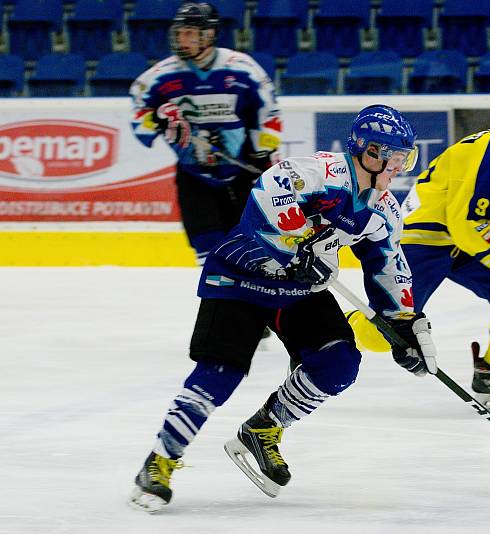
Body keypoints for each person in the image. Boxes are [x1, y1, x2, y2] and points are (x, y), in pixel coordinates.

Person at [128, 105, 438, 512]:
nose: (399, 166)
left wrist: (405, 322)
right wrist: (295, 239)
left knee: (339, 362)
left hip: (299, 291)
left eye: (404, 158)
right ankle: (161, 460)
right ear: (370, 152)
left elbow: (387, 267)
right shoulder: (321, 173)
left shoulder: (382, 211)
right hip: (241, 277)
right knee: (220, 374)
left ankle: (264, 429)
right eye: (394, 157)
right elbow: (270, 188)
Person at [347, 83, 490, 412]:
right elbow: (466, 225)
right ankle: (327, 336)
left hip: (467, 242)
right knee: (382, 336)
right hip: (424, 237)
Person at [130, 2, 282, 265]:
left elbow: (268, 113)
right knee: (208, 252)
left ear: (209, 34)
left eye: (190, 33)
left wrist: (263, 153)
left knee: (253, 249)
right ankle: (219, 304)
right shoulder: (159, 77)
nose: (182, 40)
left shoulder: (242, 68)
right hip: (194, 175)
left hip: (242, 170)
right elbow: (140, 121)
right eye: (180, 33)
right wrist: (156, 118)